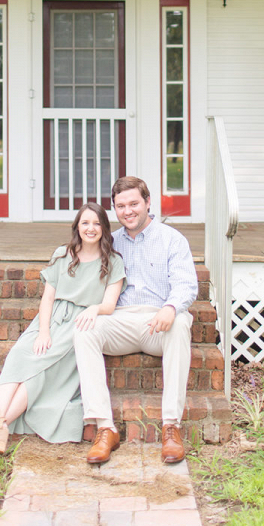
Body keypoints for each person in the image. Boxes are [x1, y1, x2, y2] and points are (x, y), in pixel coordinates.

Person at [0, 202, 126, 458]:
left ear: (104, 228)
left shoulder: (112, 261)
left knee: (39, 372)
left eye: (96, 223)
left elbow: (109, 304)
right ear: (77, 227)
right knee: (19, 357)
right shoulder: (63, 254)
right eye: (85, 223)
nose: (90, 229)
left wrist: (93, 310)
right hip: (50, 321)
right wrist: (43, 332)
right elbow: (48, 299)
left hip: (80, 324)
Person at [73, 176, 198, 466]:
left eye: (133, 204)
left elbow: (186, 285)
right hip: (121, 320)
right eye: (120, 206)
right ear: (114, 209)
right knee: (85, 330)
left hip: (159, 322)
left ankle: (171, 427)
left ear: (148, 202)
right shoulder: (110, 241)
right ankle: (105, 428)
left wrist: (170, 308)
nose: (127, 211)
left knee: (181, 323)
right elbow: (80, 269)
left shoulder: (172, 239)